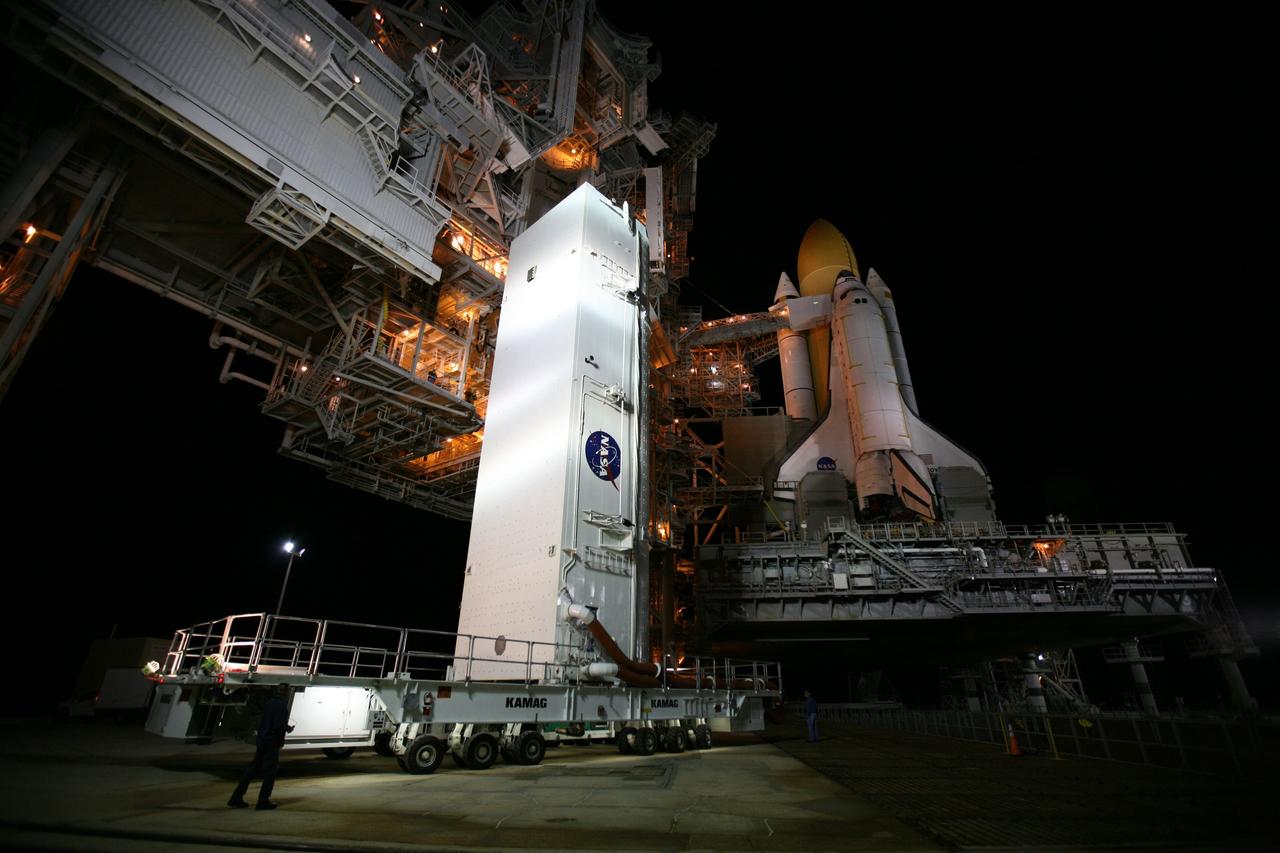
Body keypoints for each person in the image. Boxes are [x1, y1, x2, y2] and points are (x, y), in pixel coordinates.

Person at [228, 684, 294, 810]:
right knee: (270, 771)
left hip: (262, 740)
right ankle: (263, 800)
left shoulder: (269, 703)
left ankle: (236, 797)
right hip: (272, 742)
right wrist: (287, 729)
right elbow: (278, 725)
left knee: (252, 768)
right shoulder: (281, 706)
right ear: (286, 693)